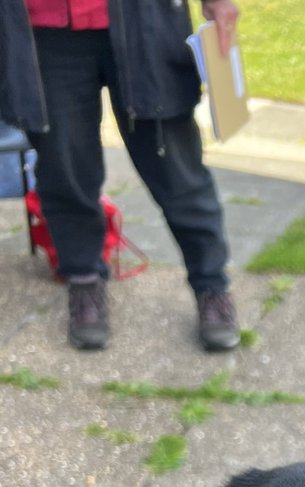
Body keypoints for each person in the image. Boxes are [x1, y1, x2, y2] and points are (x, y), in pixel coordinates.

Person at [0, 0, 241, 352]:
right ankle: (83, 280)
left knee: (175, 169)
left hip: (144, 21)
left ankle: (212, 287)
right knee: (65, 172)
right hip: (44, 29)